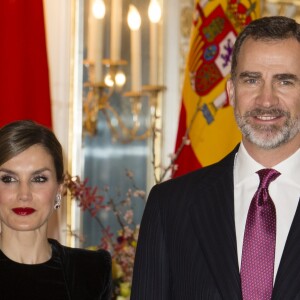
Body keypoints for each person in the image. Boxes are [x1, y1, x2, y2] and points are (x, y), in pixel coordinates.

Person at [131, 16, 300, 300]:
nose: (266, 100)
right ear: (231, 92)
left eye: (284, 81)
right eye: (251, 80)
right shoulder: (170, 206)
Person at [0, 120, 112, 299]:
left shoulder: (92, 271)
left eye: (38, 179)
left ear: (59, 190)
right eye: (8, 179)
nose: (24, 194)